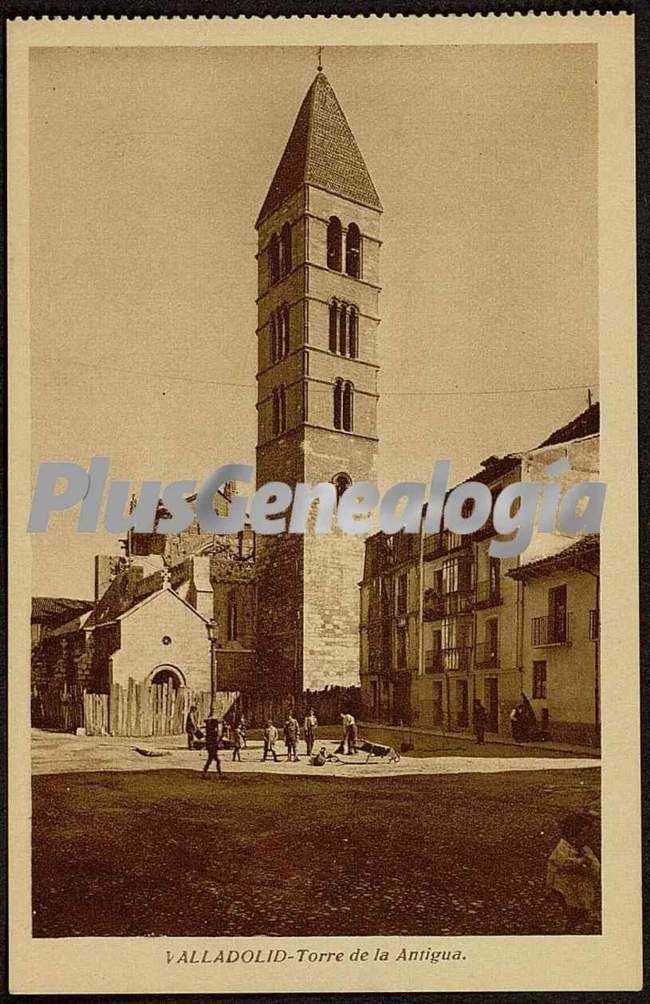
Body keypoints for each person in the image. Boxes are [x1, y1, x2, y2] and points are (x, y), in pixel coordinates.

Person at [546, 812, 600, 932]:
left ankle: (578, 919)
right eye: (583, 835)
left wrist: (590, 863)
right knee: (570, 907)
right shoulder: (562, 848)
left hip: (580, 885)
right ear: (572, 835)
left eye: (587, 835)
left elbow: (595, 867)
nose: (587, 838)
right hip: (565, 886)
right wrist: (580, 862)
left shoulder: (584, 849)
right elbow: (562, 862)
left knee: (582, 906)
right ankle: (571, 925)